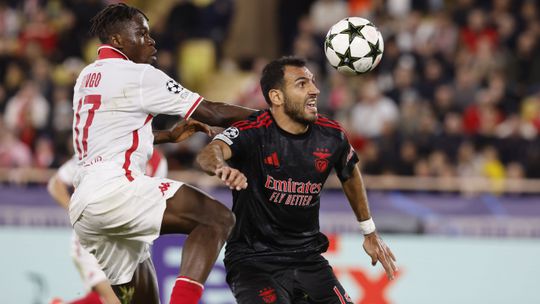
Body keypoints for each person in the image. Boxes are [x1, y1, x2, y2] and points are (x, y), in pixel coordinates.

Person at [69, 3, 254, 304]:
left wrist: (167, 135)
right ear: (117, 40)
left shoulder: (87, 76)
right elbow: (213, 113)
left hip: (86, 208)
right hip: (116, 190)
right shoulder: (139, 74)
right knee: (217, 219)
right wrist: (271, 117)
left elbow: (109, 135)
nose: (151, 40)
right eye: (141, 33)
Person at [196, 56, 397, 303]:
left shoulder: (332, 136)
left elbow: (350, 172)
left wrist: (369, 231)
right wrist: (221, 167)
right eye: (302, 84)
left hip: (308, 259)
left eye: (312, 82)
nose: (315, 90)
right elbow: (209, 153)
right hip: (254, 261)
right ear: (277, 97)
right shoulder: (254, 131)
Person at [48, 148, 167, 304]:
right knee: (116, 300)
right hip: (91, 240)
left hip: (124, 244)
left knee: (121, 299)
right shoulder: (97, 147)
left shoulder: (157, 162)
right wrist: (78, 214)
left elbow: (152, 204)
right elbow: (56, 184)